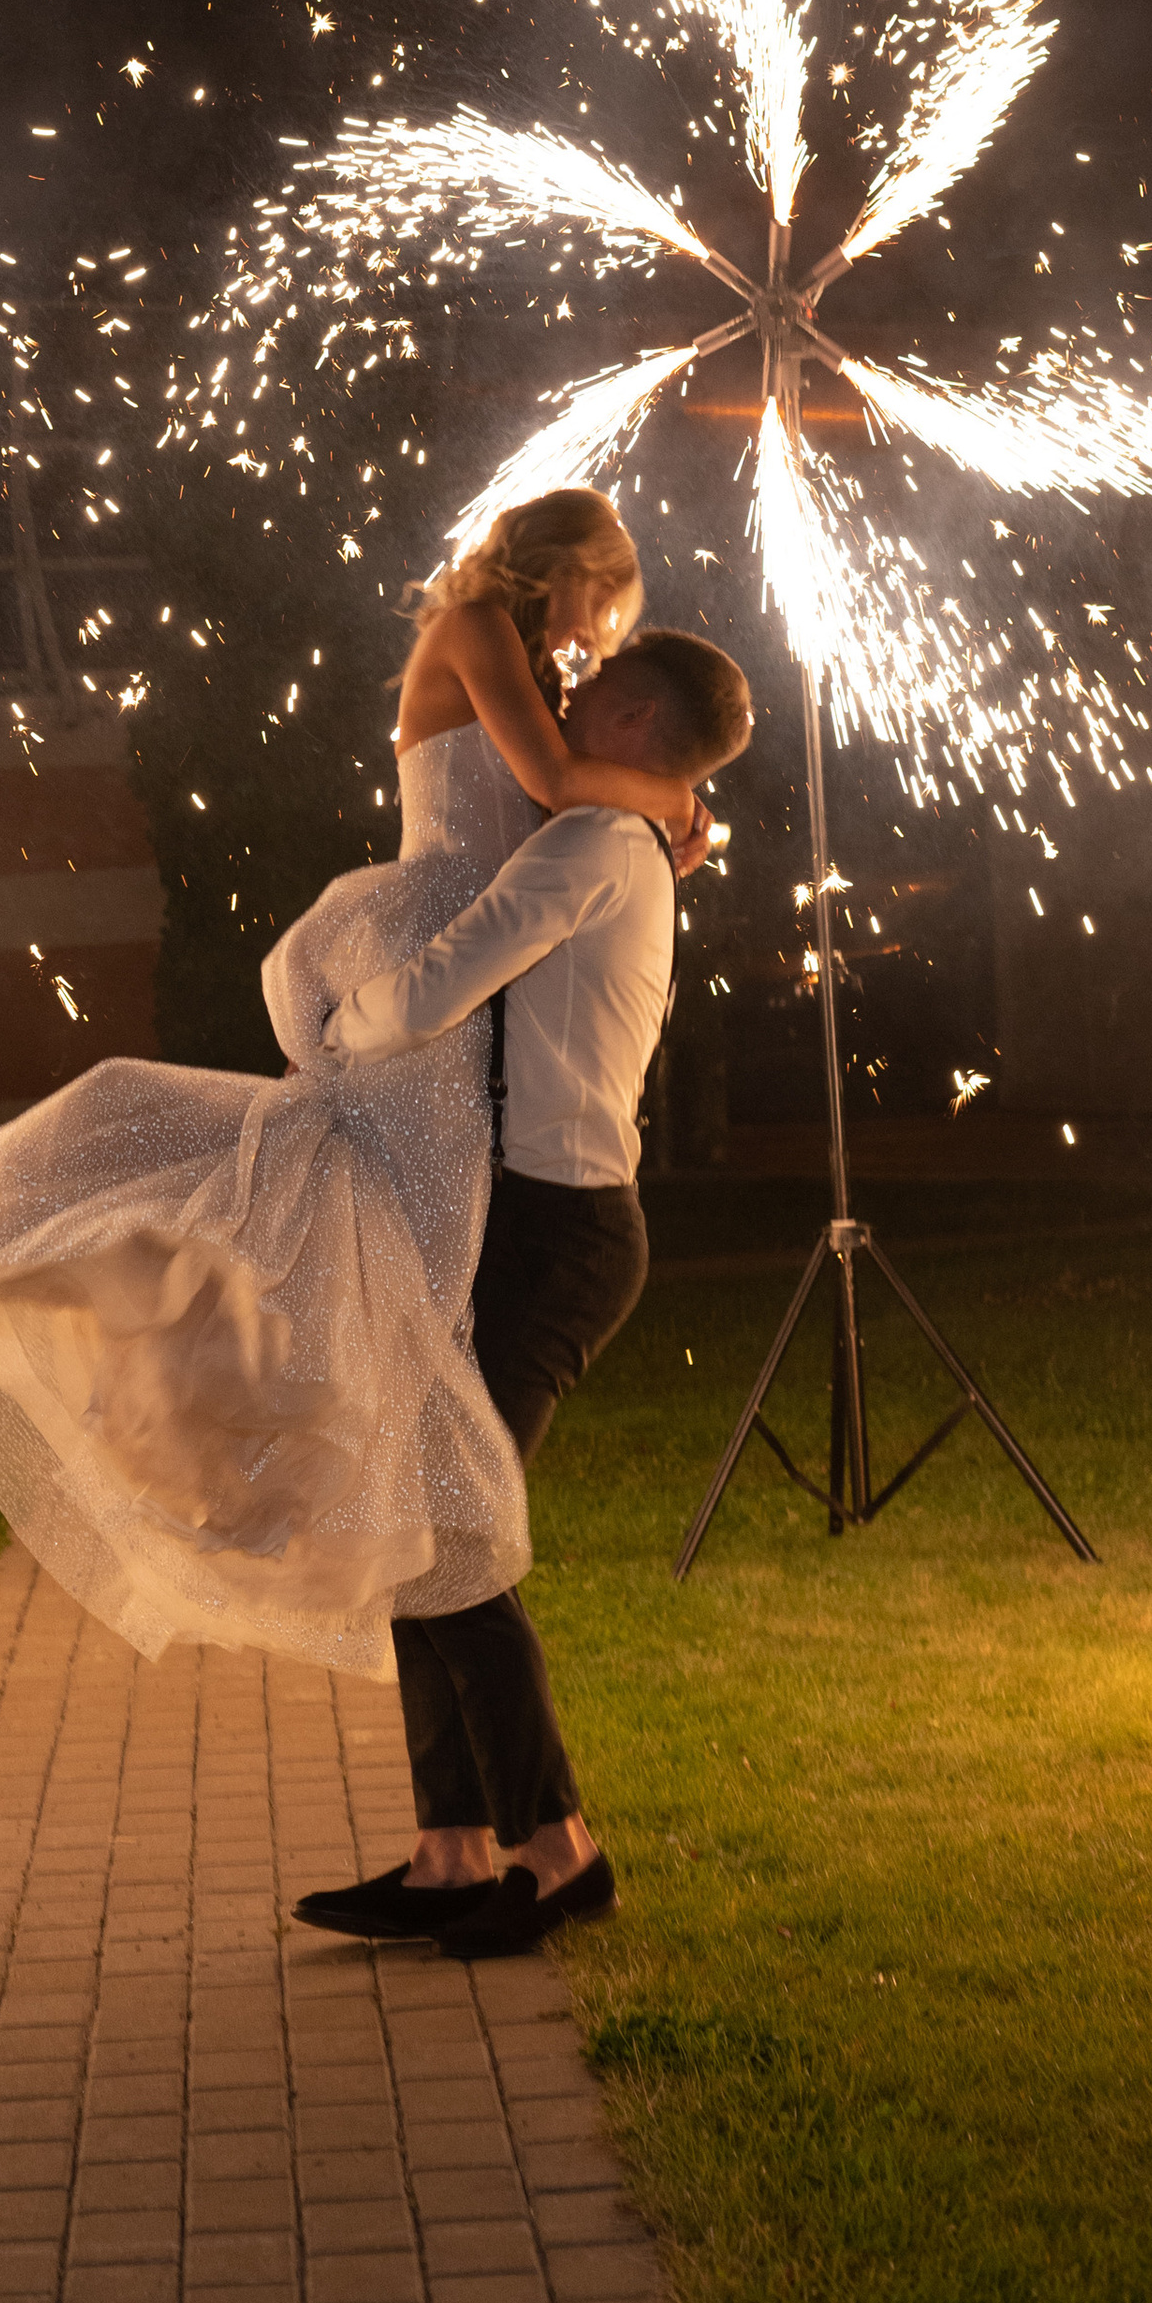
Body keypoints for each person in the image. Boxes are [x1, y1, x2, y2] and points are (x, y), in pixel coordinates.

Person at [0, 488, 700, 1674]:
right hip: (423, 952)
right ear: (567, 563)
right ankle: (279, 1465)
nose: (592, 638)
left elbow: (570, 819)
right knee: (377, 1241)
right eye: (594, 606)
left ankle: (322, 1493)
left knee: (378, 1246)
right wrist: (671, 797)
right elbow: (561, 782)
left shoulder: (531, 664)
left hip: (458, 985)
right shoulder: (473, 627)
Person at [293, 626, 753, 1959]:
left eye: (592, 689)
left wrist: (330, 1023)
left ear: (637, 715)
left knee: (449, 1531)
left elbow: (438, 988)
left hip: (561, 1232)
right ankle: (449, 1854)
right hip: (541, 1222)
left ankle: (557, 1852)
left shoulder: (587, 849)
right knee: (418, 1524)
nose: (563, 695)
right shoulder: (637, 843)